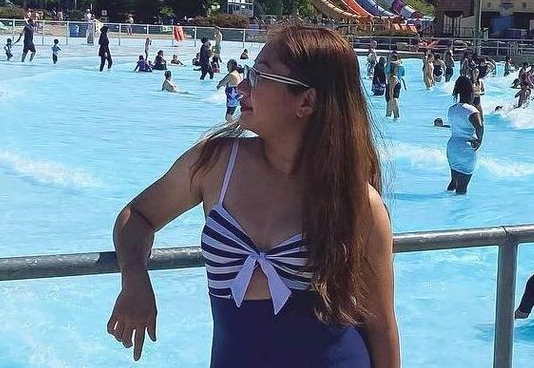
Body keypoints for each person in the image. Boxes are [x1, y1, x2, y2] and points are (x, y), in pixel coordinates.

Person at [107, 25, 398, 365]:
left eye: (259, 77)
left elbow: (381, 327)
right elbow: (137, 216)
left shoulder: (357, 202)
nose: (242, 87)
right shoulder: (215, 164)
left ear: (306, 101)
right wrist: (134, 278)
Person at [446, 76, 484, 195]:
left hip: (452, 147)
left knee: (453, 183)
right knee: (461, 191)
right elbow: (479, 127)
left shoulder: (451, 109)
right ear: (471, 92)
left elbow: (456, 126)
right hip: (466, 148)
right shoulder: (472, 111)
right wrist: (479, 141)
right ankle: (458, 213)